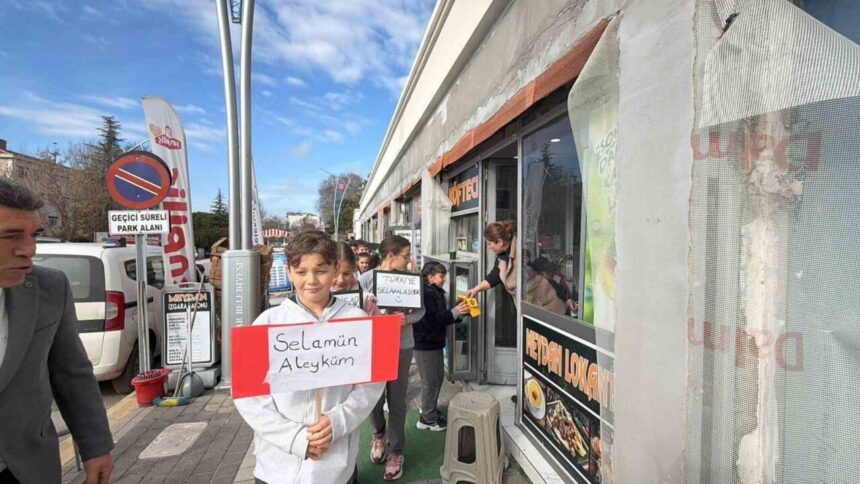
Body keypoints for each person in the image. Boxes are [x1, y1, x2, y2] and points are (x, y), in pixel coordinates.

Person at [234, 231, 384, 484]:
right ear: (289, 271)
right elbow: (248, 396)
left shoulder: (357, 320)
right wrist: (293, 438)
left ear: (335, 269)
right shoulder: (267, 323)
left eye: (321, 270)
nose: (311, 280)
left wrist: (339, 420)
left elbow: (371, 385)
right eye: (301, 271)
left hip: (336, 467)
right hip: (276, 467)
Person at [0, 179, 114, 484]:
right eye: (10, 236)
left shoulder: (50, 288)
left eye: (34, 235)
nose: (29, 250)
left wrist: (95, 446)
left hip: (26, 469)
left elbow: (72, 374)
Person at [358, 235, 425, 481]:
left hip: (402, 345)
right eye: (405, 256)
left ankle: (396, 451)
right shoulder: (365, 279)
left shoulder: (412, 280)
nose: (408, 261)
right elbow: (352, 309)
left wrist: (406, 319)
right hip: (373, 346)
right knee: (373, 398)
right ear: (390, 256)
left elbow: (421, 311)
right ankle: (378, 435)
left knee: (397, 400)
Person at [413, 262, 469, 431]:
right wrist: (455, 312)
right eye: (441, 276)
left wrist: (457, 314)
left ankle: (429, 410)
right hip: (425, 344)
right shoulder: (426, 294)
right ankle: (427, 418)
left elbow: (440, 318)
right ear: (430, 277)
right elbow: (432, 321)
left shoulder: (435, 292)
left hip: (433, 343)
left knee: (436, 378)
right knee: (430, 381)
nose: (444, 279)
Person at [466, 221, 517, 299]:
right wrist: (475, 289)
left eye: (489, 244)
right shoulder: (502, 256)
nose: (488, 247)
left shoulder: (520, 253)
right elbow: (494, 276)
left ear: (500, 242)